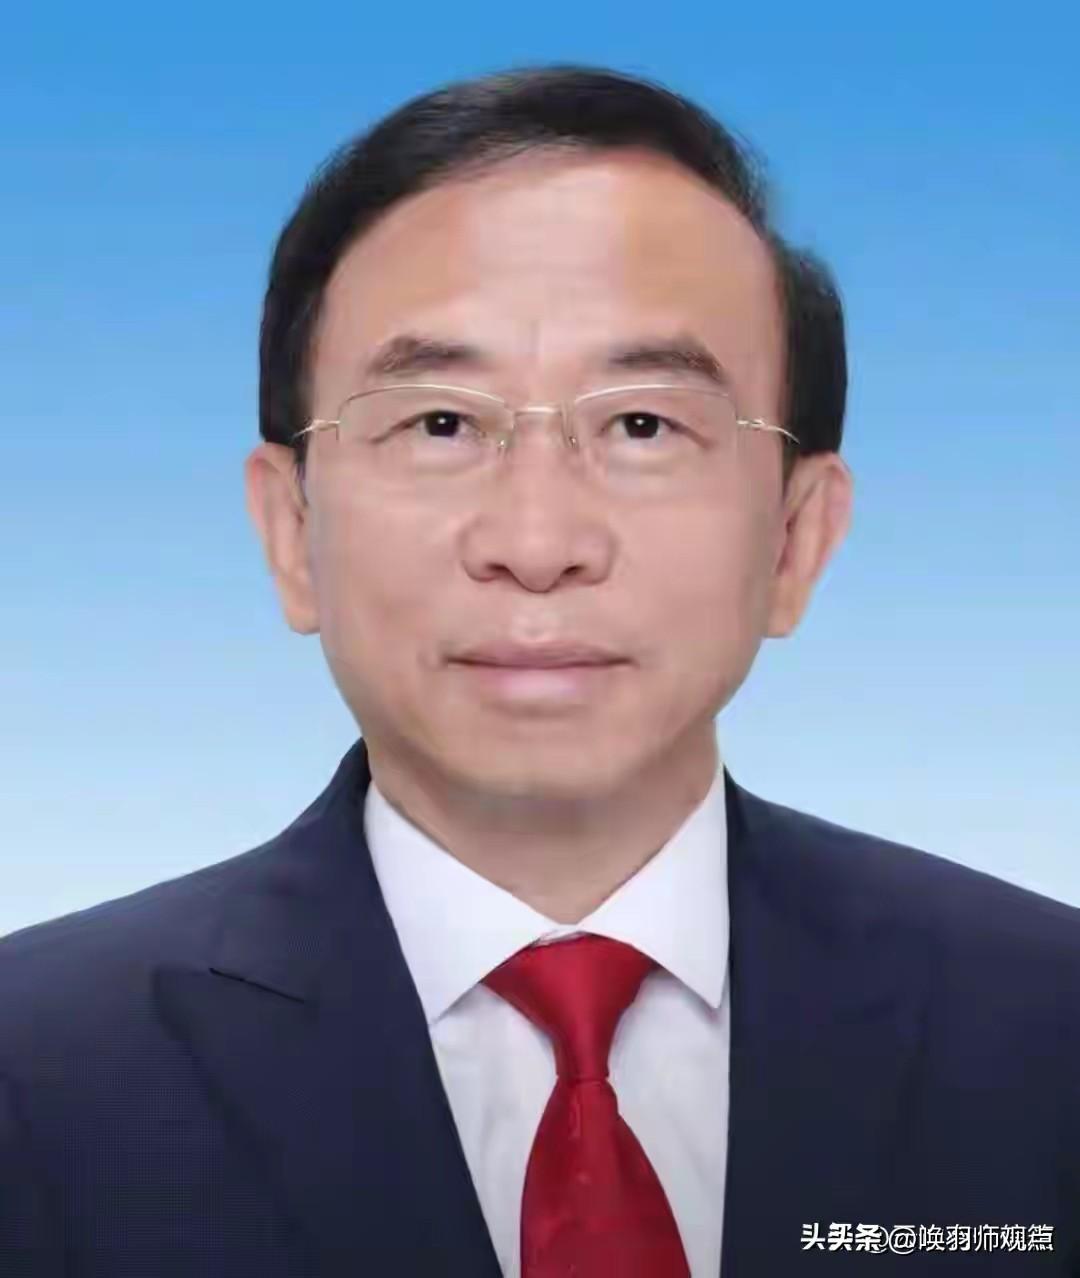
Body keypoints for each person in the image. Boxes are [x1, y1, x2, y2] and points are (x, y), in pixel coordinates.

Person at [1, 63, 1077, 1278]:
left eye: (643, 425)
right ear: (292, 531)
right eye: (440, 423)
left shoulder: (1048, 1033)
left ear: (795, 539)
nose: (537, 542)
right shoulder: (33, 1074)